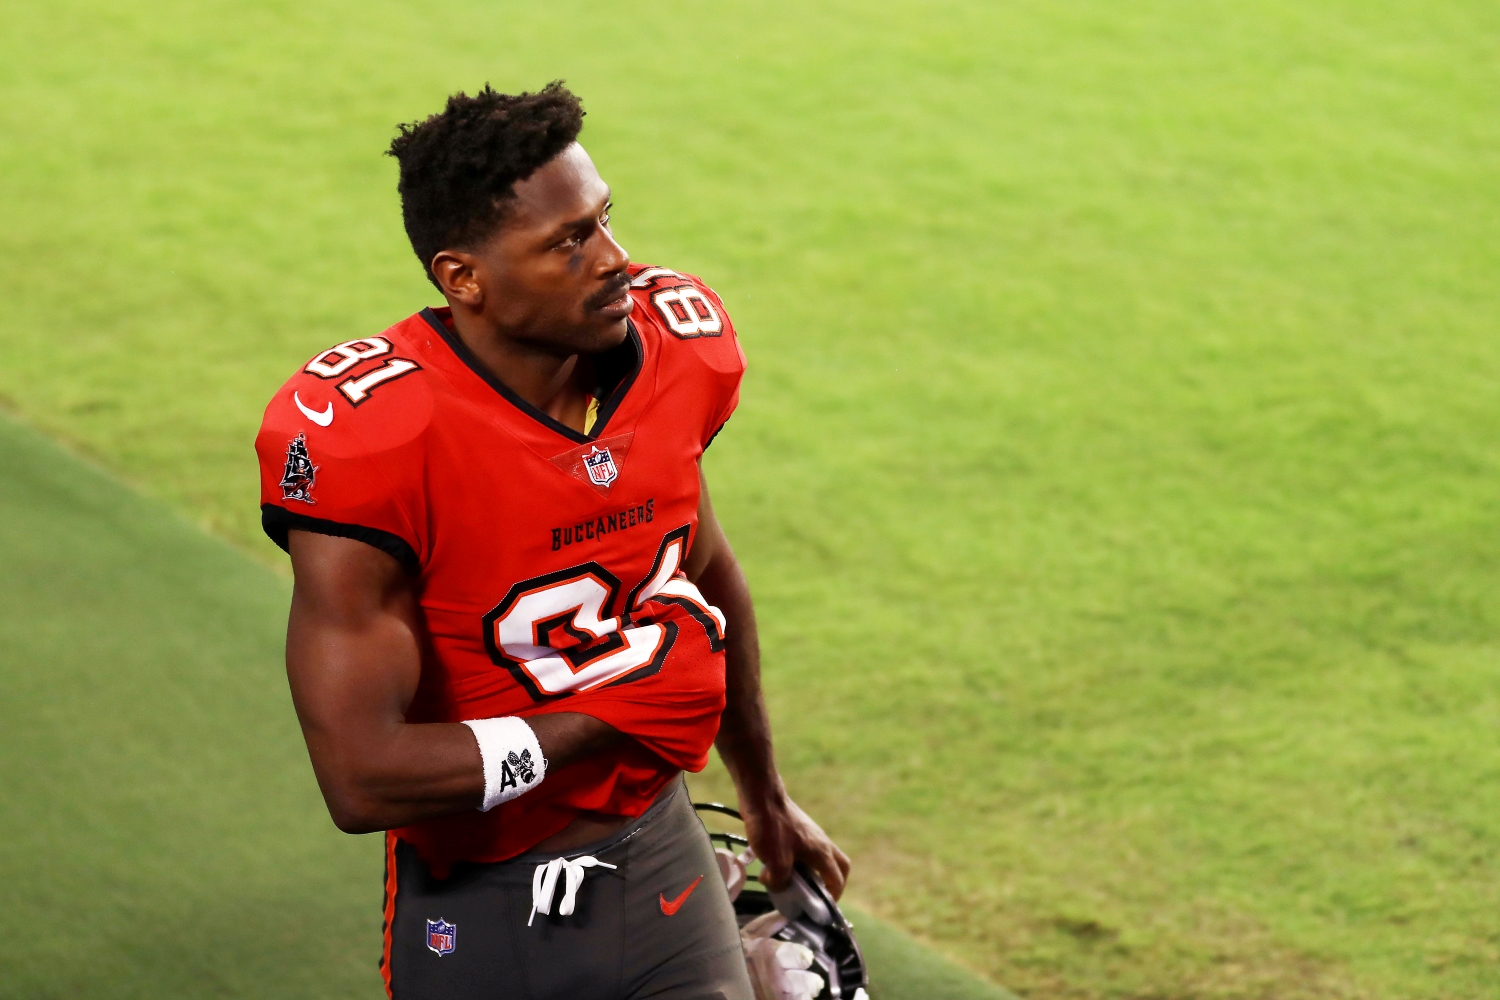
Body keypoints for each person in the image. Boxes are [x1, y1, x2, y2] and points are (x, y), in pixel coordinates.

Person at [254, 81, 850, 1000]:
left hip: (662, 850)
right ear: (465, 279)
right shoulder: (374, 438)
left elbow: (703, 561)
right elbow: (361, 778)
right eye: (569, 243)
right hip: (484, 901)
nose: (615, 259)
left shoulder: (676, 352)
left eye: (605, 220)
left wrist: (765, 799)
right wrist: (609, 716)